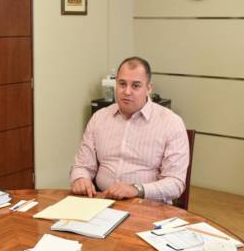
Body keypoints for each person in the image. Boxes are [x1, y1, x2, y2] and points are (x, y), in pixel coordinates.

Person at [69, 56, 189, 203]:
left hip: (148, 205)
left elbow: (175, 183)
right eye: (122, 84)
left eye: (136, 86)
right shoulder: (99, 118)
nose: (127, 91)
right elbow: (82, 165)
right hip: (101, 201)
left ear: (149, 88)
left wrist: (137, 190)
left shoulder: (171, 123)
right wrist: (80, 178)